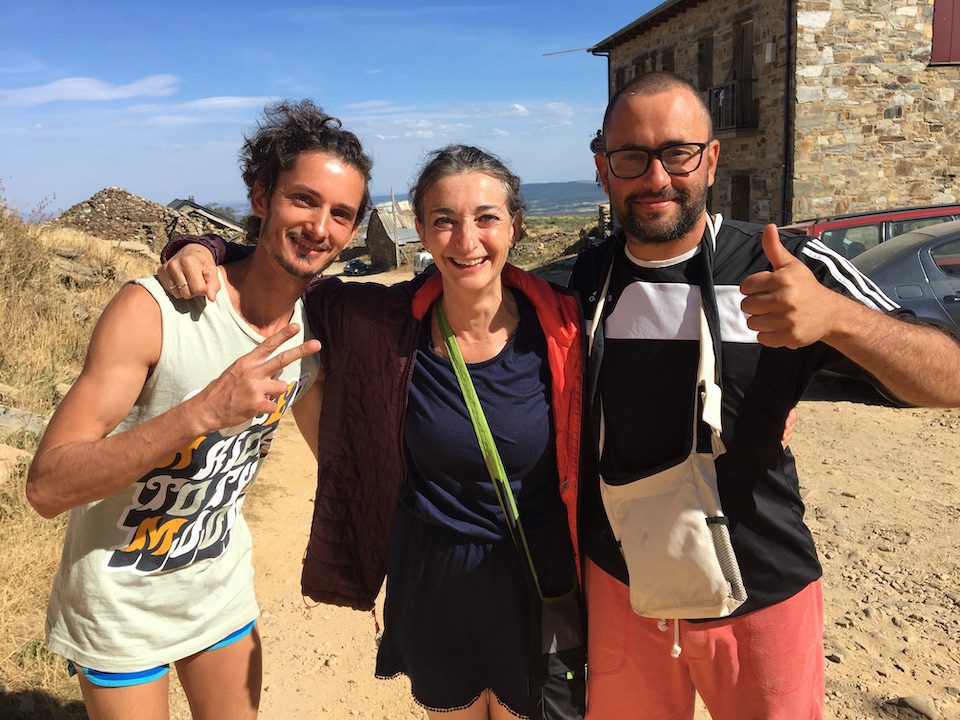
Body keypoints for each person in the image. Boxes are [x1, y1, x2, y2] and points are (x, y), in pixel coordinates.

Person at [570, 71, 960, 720]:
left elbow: (948, 378)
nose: (656, 178)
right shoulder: (584, 281)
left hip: (758, 592)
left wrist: (836, 318)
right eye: (632, 157)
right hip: (622, 590)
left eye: (678, 153)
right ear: (605, 168)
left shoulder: (786, 265)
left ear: (712, 158)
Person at [158, 144, 585, 720]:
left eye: (486, 218)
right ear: (422, 231)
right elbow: (283, 270)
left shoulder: (566, 324)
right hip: (433, 581)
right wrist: (201, 247)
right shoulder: (381, 320)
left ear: (516, 227)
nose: (466, 241)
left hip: (541, 583)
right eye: (444, 221)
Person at [26, 99, 371, 720]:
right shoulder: (155, 311)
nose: (321, 226)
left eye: (340, 214)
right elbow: (48, 487)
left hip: (218, 594)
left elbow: (344, 464)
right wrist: (202, 411)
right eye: (304, 200)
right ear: (261, 196)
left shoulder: (311, 328)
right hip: (118, 601)